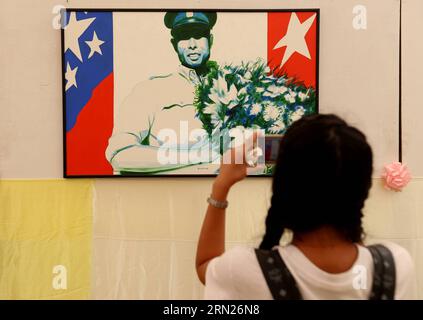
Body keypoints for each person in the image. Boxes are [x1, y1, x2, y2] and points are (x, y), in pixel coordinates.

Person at [196, 114, 416, 299]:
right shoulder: (395, 266)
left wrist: (221, 185)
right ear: (363, 188)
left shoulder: (243, 270)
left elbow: (206, 266)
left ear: (283, 188)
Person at [105, 11, 220, 175]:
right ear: (174, 44)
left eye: (199, 35)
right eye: (184, 36)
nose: (192, 44)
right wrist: (197, 156)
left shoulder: (236, 89)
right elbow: (121, 154)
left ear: (211, 40)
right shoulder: (150, 90)